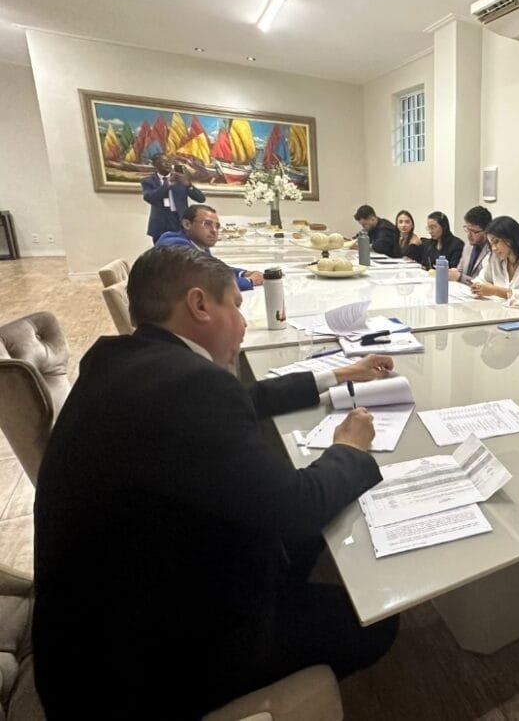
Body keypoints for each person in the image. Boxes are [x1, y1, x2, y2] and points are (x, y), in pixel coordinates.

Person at [33, 246, 399, 721]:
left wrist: (339, 374)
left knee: (310, 530)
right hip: (140, 669)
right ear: (200, 304)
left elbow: (243, 398)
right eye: (237, 306)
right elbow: (298, 508)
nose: (244, 324)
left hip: (100, 627)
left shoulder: (129, 361)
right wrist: (349, 448)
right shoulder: (188, 385)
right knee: (377, 621)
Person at [155, 203, 264, 290]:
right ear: (187, 224)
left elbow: (214, 268)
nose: (214, 231)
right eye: (207, 224)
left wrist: (243, 273)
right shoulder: (175, 246)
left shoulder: (198, 244)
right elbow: (207, 283)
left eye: (217, 226)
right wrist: (249, 281)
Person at [470, 215, 519, 306]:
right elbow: (481, 279)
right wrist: (477, 287)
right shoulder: (494, 258)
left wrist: (495, 291)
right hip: (497, 310)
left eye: (496, 241)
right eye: (491, 244)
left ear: (511, 238)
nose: (493, 248)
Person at [141, 152, 207, 244]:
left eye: (169, 161)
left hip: (180, 220)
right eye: (164, 162)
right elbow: (149, 198)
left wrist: (188, 185)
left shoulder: (181, 178)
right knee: (162, 251)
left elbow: (201, 198)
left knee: (182, 249)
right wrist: (166, 186)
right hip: (161, 222)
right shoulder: (148, 181)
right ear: (155, 164)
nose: (168, 164)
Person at [449, 205, 492, 284]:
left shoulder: (492, 250)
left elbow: (486, 284)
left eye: (474, 232)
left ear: (486, 231)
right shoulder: (468, 245)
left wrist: (460, 277)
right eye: (467, 229)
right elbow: (460, 270)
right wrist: (453, 273)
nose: (469, 235)